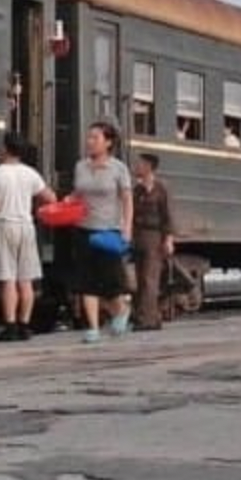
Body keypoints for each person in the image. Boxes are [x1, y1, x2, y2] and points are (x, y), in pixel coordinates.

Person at [0, 132, 55, 342]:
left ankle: (10, 326)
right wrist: (37, 207)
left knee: (8, 279)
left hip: (5, 225)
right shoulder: (30, 173)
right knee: (25, 279)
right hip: (26, 226)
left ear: (5, 149)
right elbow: (51, 197)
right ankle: (25, 325)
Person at [68, 121, 134, 343]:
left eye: (95, 138)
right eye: (89, 137)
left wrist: (126, 227)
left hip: (108, 231)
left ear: (108, 142)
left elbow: (127, 200)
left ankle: (122, 310)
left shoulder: (118, 168)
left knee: (110, 282)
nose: (90, 142)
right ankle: (93, 328)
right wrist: (67, 201)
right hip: (83, 229)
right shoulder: (81, 166)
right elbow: (78, 194)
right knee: (86, 282)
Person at [130, 152, 175, 331]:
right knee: (141, 278)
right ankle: (152, 317)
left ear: (149, 167)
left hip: (155, 236)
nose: (136, 166)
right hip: (139, 236)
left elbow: (168, 215)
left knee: (150, 278)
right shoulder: (137, 190)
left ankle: (145, 320)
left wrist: (168, 239)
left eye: (140, 164)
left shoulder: (161, 188)